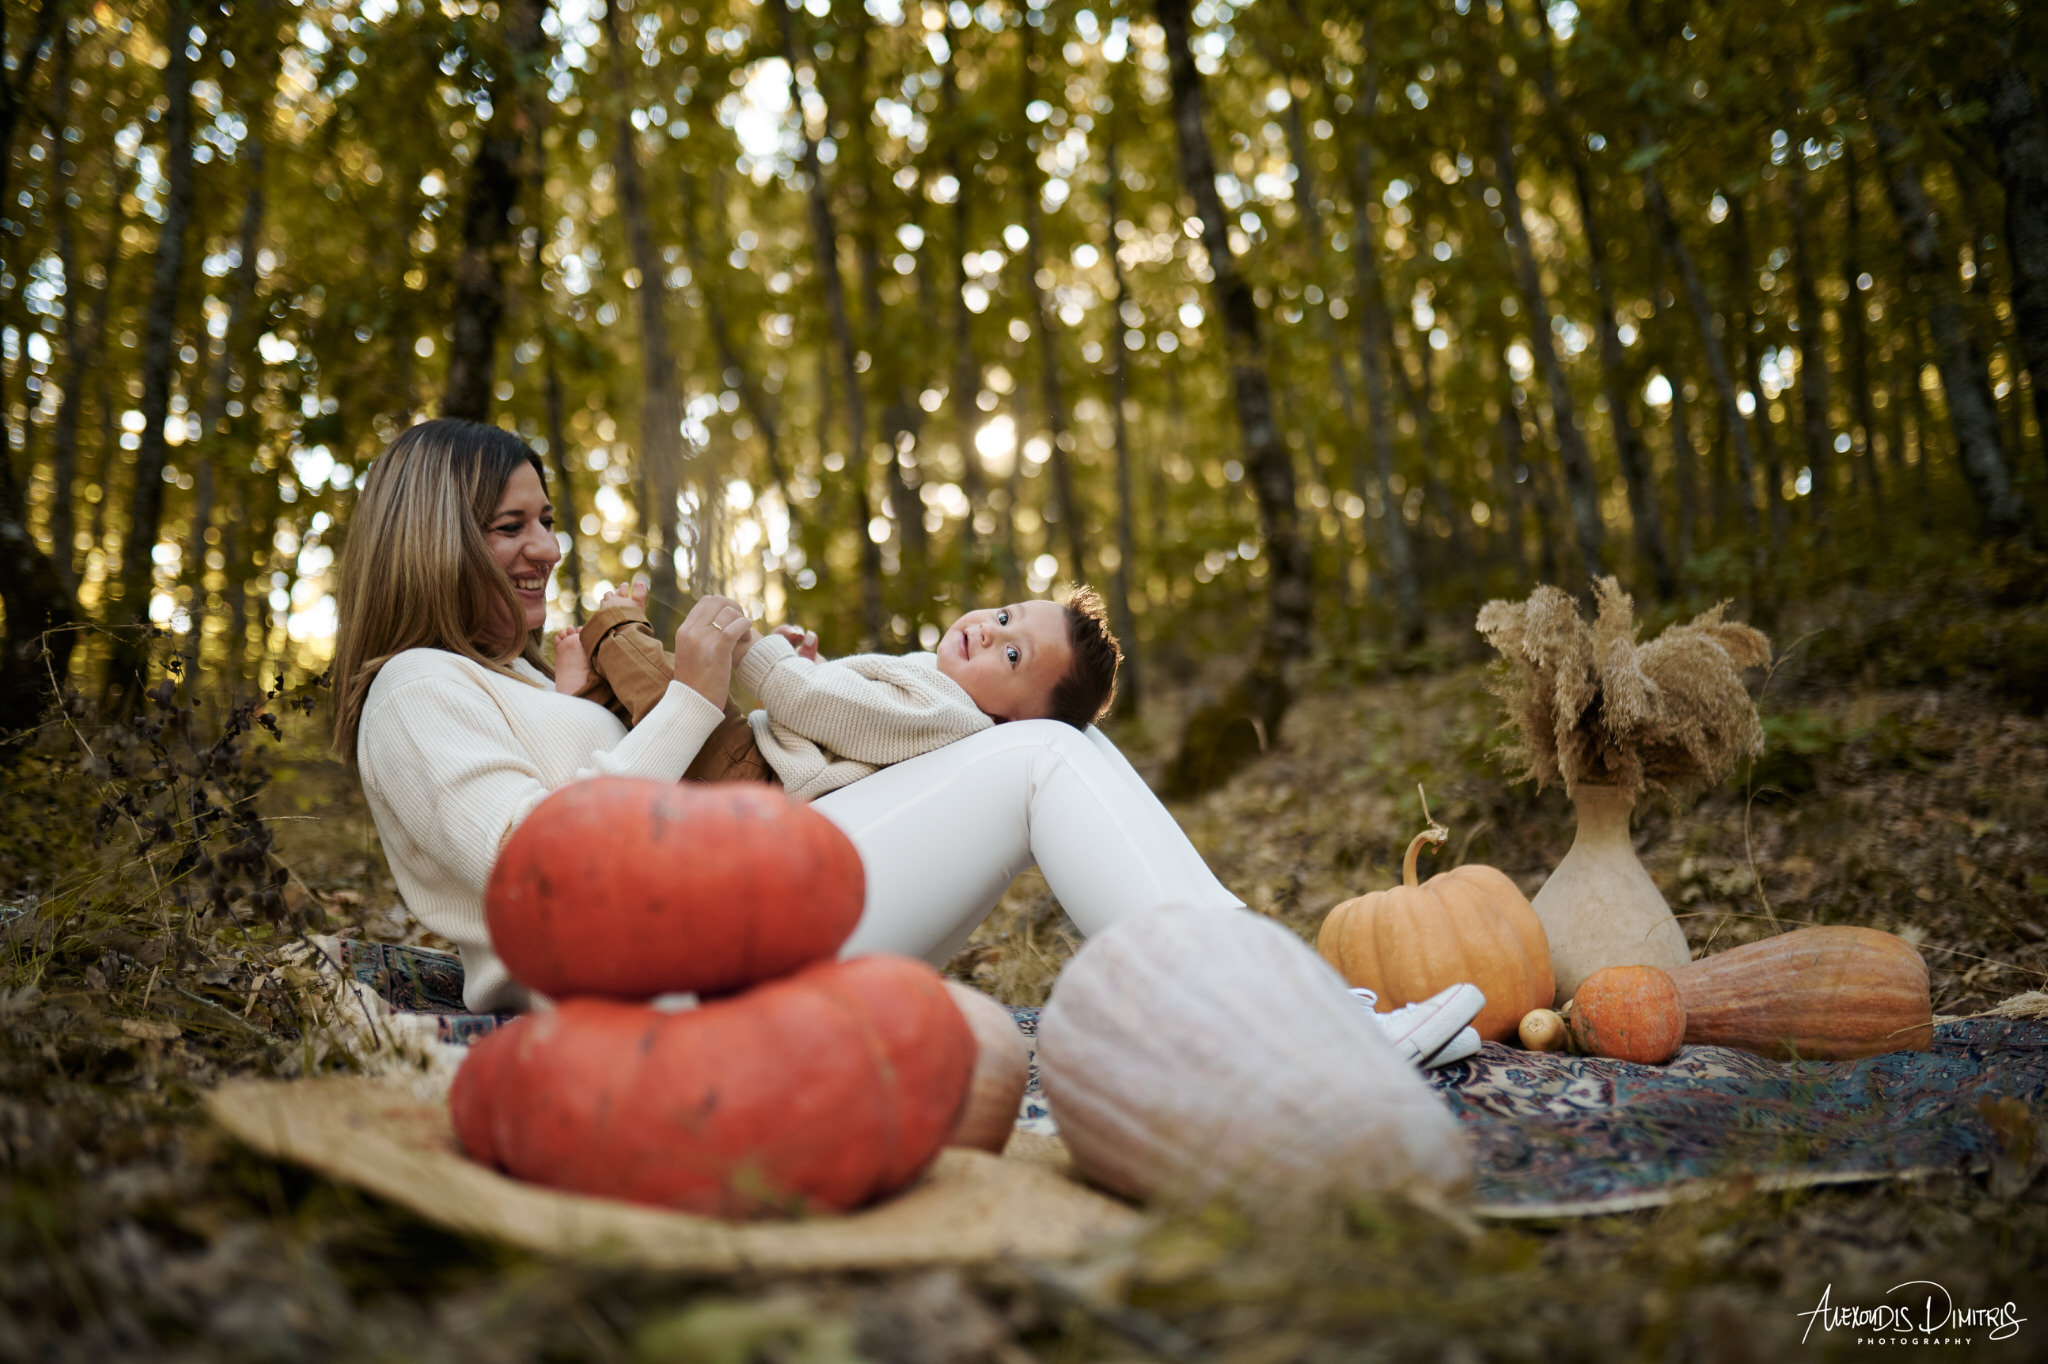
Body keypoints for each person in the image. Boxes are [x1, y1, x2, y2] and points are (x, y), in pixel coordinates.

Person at [329, 419, 1247, 1017]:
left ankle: (1246, 971)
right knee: (1038, 753)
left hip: (719, 917)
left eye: (546, 519)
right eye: (511, 527)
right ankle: (1250, 999)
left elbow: (608, 785)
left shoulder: (515, 683)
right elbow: (534, 866)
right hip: (660, 976)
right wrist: (692, 697)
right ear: (435, 543)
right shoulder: (413, 688)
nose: (549, 546)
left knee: (1051, 731)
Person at [551, 579, 1121, 800]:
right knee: (670, 704)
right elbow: (858, 714)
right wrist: (815, 665)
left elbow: (826, 707)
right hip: (762, 763)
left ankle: (612, 629)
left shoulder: (952, 716)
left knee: (670, 684)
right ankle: (587, 695)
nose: (991, 632)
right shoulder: (940, 687)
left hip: (756, 777)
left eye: (1014, 656)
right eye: (1004, 615)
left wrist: (761, 659)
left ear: (1014, 722)